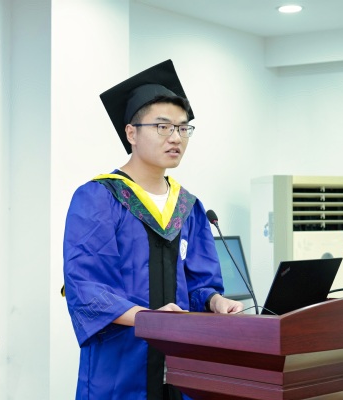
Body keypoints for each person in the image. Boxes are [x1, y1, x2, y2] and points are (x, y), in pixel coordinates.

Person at [62, 59, 243, 400]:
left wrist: (216, 301)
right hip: (121, 366)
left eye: (183, 128)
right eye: (163, 127)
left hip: (182, 366)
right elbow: (86, 288)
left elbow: (200, 285)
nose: (176, 138)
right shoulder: (100, 198)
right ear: (131, 133)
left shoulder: (188, 207)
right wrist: (149, 318)